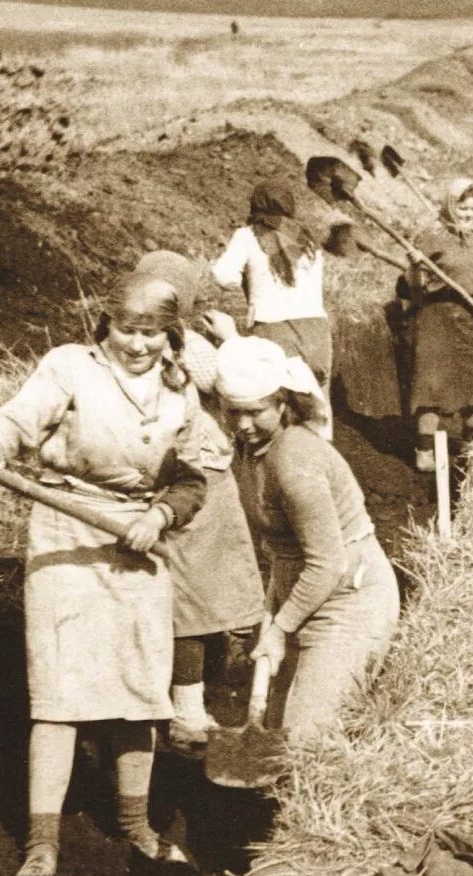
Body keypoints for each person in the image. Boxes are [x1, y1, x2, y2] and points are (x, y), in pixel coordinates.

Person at [0, 273, 207, 876]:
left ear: (168, 333)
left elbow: (194, 479)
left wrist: (161, 513)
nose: (138, 344)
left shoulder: (181, 390)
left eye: (151, 332)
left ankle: (136, 826)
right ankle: (42, 844)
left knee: (139, 691)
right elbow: (17, 420)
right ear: (107, 325)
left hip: (137, 540)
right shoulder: (70, 367)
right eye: (127, 329)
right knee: (59, 693)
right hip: (65, 532)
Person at [214, 336, 400, 744]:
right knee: (280, 727)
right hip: (301, 593)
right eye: (233, 412)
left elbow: (327, 562)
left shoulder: (294, 459)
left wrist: (279, 631)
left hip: (349, 601)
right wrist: (272, 619)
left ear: (282, 404)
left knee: (306, 738)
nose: (243, 424)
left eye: (255, 412)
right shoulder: (251, 450)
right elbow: (281, 552)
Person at [136, 251, 266, 749]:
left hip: (149, 478)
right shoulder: (188, 346)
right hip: (200, 475)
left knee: (183, 592)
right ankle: (189, 710)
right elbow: (228, 384)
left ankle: (192, 695)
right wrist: (233, 341)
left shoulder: (119, 347)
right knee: (198, 600)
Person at [406, 178, 473, 472]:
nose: (468, 215)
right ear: (450, 207)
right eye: (462, 210)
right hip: (437, 318)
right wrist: (414, 266)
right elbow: (414, 287)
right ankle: (424, 452)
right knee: (432, 387)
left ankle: (467, 445)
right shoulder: (430, 236)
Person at [212, 182, 334, 413]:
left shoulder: (248, 235)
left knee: (280, 407)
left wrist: (243, 283)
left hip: (273, 328)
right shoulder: (307, 239)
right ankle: (322, 448)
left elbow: (223, 275)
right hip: (317, 331)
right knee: (320, 406)